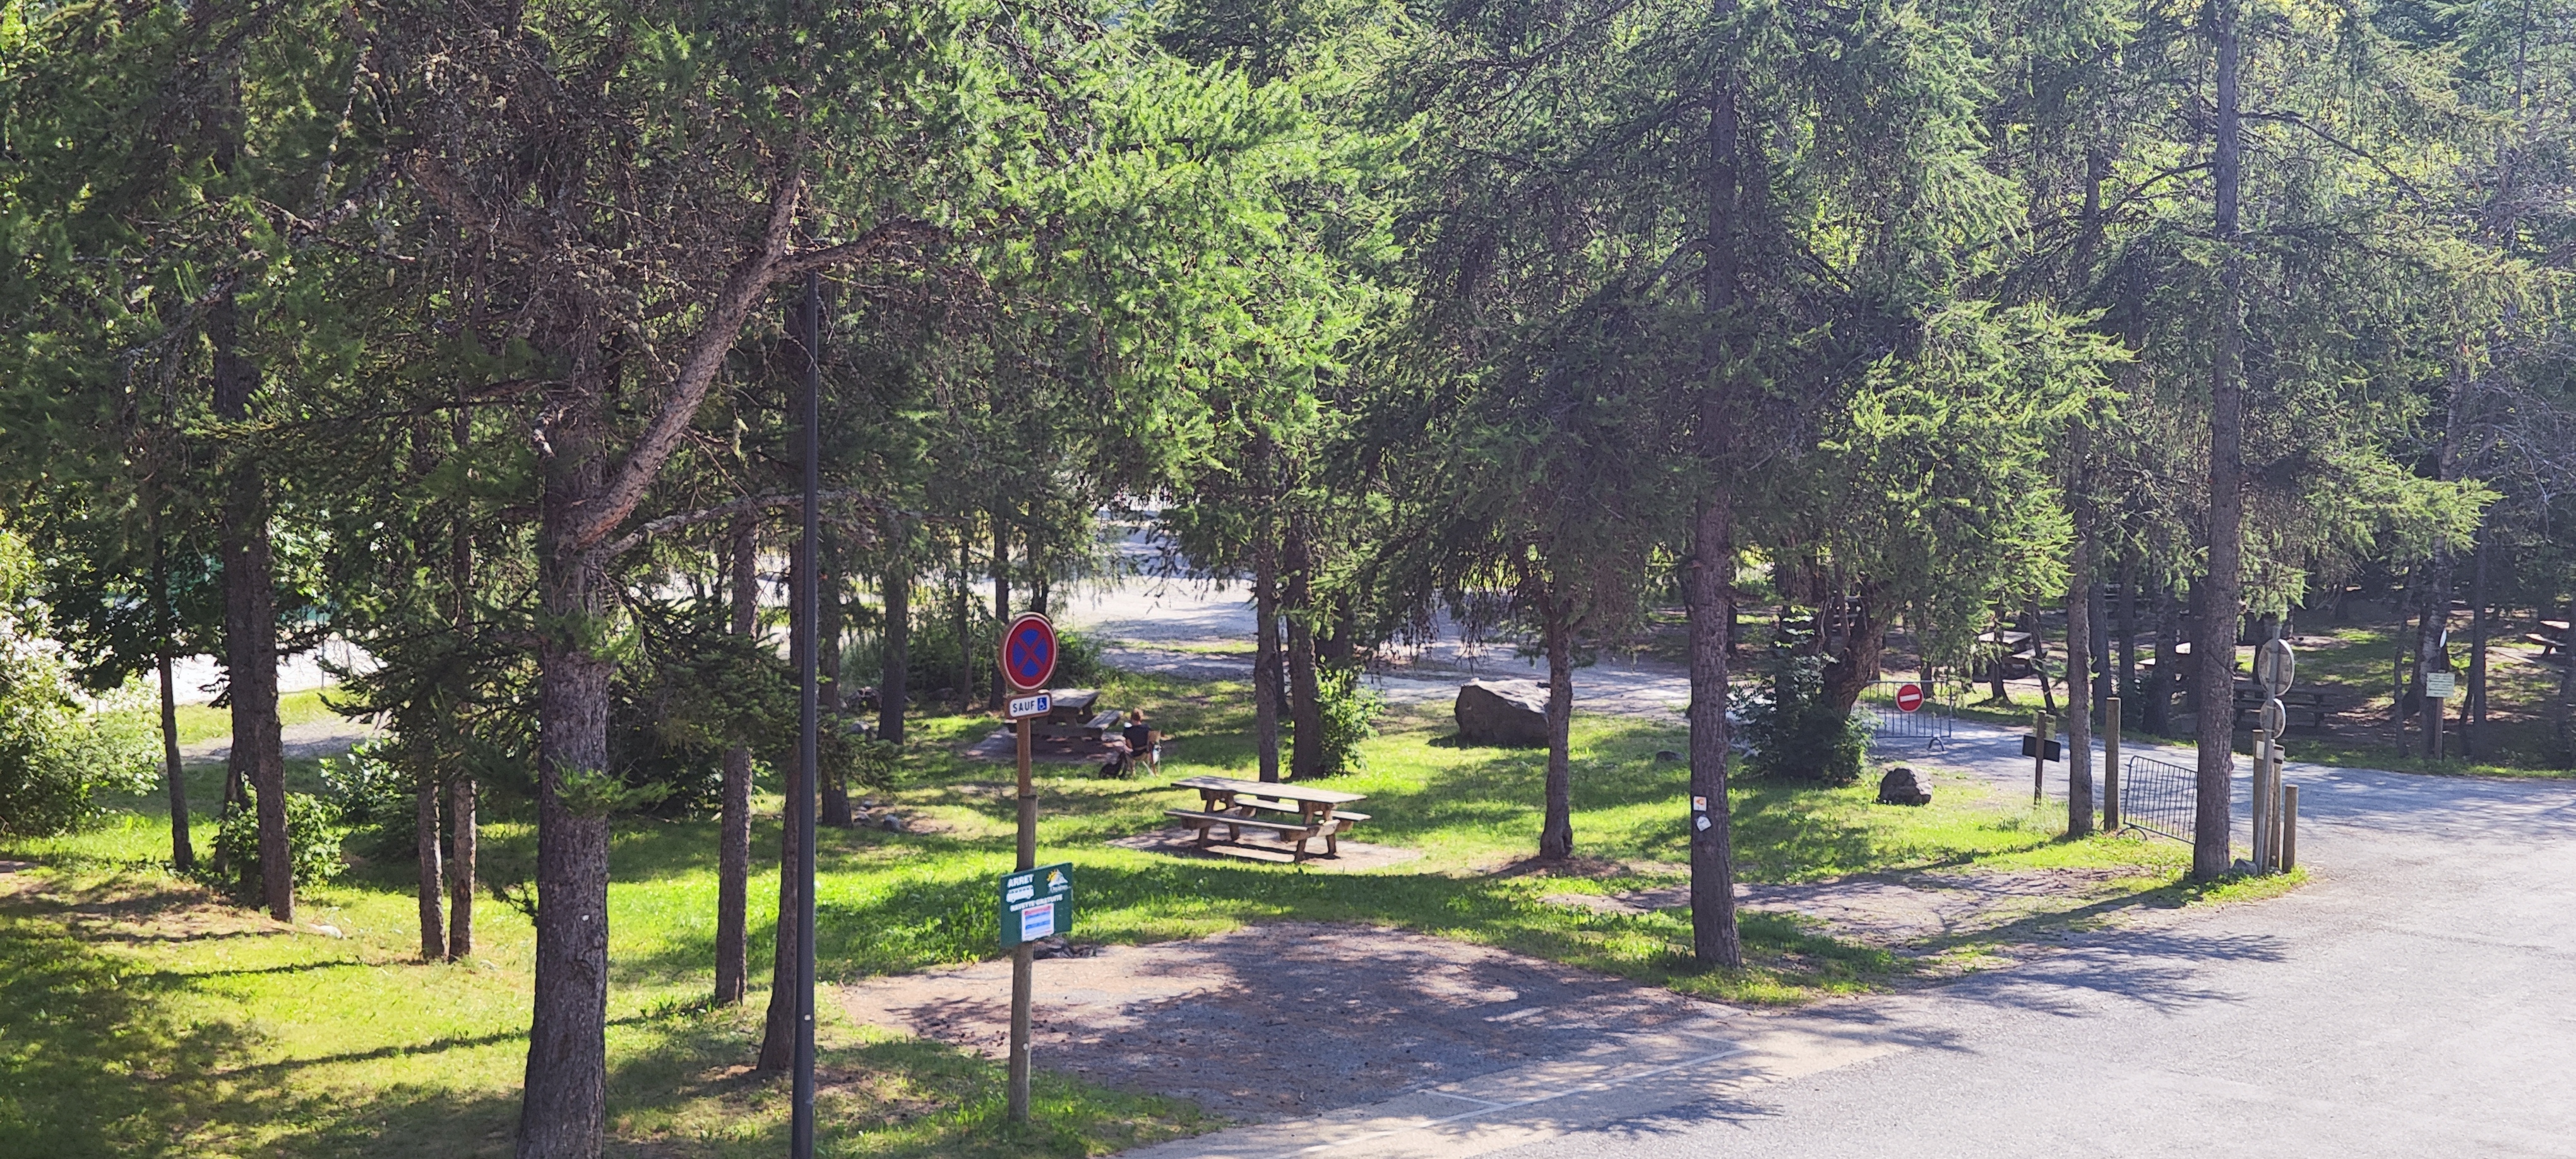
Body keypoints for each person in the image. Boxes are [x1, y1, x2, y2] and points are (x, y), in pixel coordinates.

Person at [1121, 710, 1159, 776]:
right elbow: (1152, 741)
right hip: (1148, 753)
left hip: (1136, 755)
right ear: (1141, 718)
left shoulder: (1128, 731)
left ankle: (1132, 771)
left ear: (1132, 718)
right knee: (1155, 748)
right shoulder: (1147, 728)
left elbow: (1130, 746)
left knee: (1126, 752)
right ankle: (1154, 770)